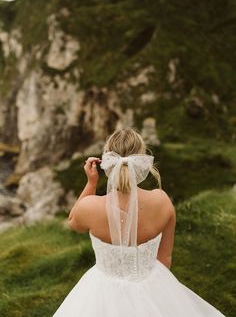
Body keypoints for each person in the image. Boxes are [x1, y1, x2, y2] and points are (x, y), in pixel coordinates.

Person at [53, 127, 225, 317]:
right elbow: (165, 259)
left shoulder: (90, 207)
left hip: (101, 291)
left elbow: (72, 222)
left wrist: (91, 183)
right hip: (153, 284)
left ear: (107, 163)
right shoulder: (162, 201)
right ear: (142, 163)